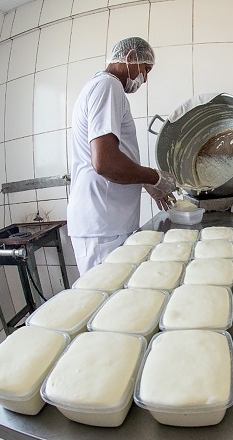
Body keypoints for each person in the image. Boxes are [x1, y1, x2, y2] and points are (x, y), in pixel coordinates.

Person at [67, 37, 176, 275]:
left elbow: (114, 155)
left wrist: (146, 181)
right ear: (129, 58)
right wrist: (156, 177)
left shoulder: (100, 87)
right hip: (103, 225)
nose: (145, 79)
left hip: (105, 223)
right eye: (145, 69)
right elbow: (105, 163)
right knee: (106, 302)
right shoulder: (108, 86)